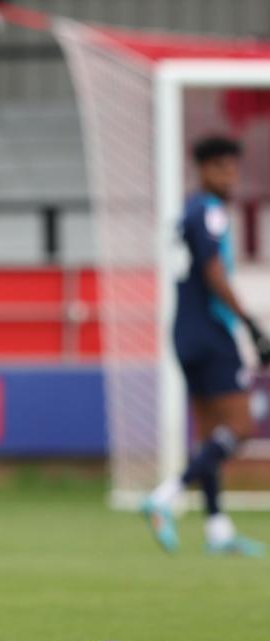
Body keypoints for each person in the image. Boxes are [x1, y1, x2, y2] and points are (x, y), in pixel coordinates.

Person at [143, 136, 270, 557]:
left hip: (183, 332)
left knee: (210, 434)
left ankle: (217, 528)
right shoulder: (211, 213)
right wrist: (251, 324)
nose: (230, 174)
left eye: (234, 166)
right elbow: (214, 271)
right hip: (212, 332)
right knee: (240, 428)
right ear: (203, 169)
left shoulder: (187, 212)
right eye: (222, 167)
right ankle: (166, 496)